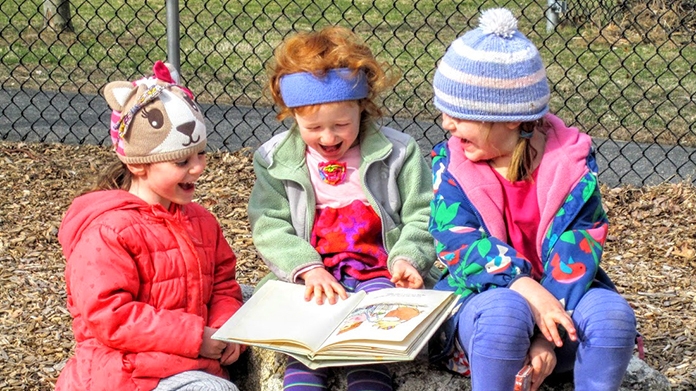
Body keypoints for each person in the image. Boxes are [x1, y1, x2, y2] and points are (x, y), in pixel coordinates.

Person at [427, 8, 637, 391]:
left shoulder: (570, 167)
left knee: (612, 317)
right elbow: (457, 243)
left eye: (458, 114)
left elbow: (579, 247)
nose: (446, 125)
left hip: (563, 302)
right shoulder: (452, 165)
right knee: (505, 316)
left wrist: (546, 332)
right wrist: (525, 287)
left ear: (509, 117)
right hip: (484, 306)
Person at [248, 26, 436, 391]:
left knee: (370, 347)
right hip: (314, 272)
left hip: (378, 270)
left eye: (341, 125)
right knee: (303, 350)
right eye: (313, 126)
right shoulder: (276, 160)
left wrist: (407, 258)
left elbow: (422, 213)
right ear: (292, 115)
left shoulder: (398, 153)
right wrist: (304, 268)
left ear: (362, 108)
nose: (329, 137)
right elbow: (269, 224)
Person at [55, 61, 245, 391]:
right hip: (129, 374)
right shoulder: (109, 231)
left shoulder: (201, 221)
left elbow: (224, 284)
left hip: (188, 362)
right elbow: (110, 316)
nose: (198, 168)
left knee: (256, 296)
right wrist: (196, 337)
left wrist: (225, 329)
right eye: (182, 161)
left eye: (200, 154)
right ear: (137, 164)